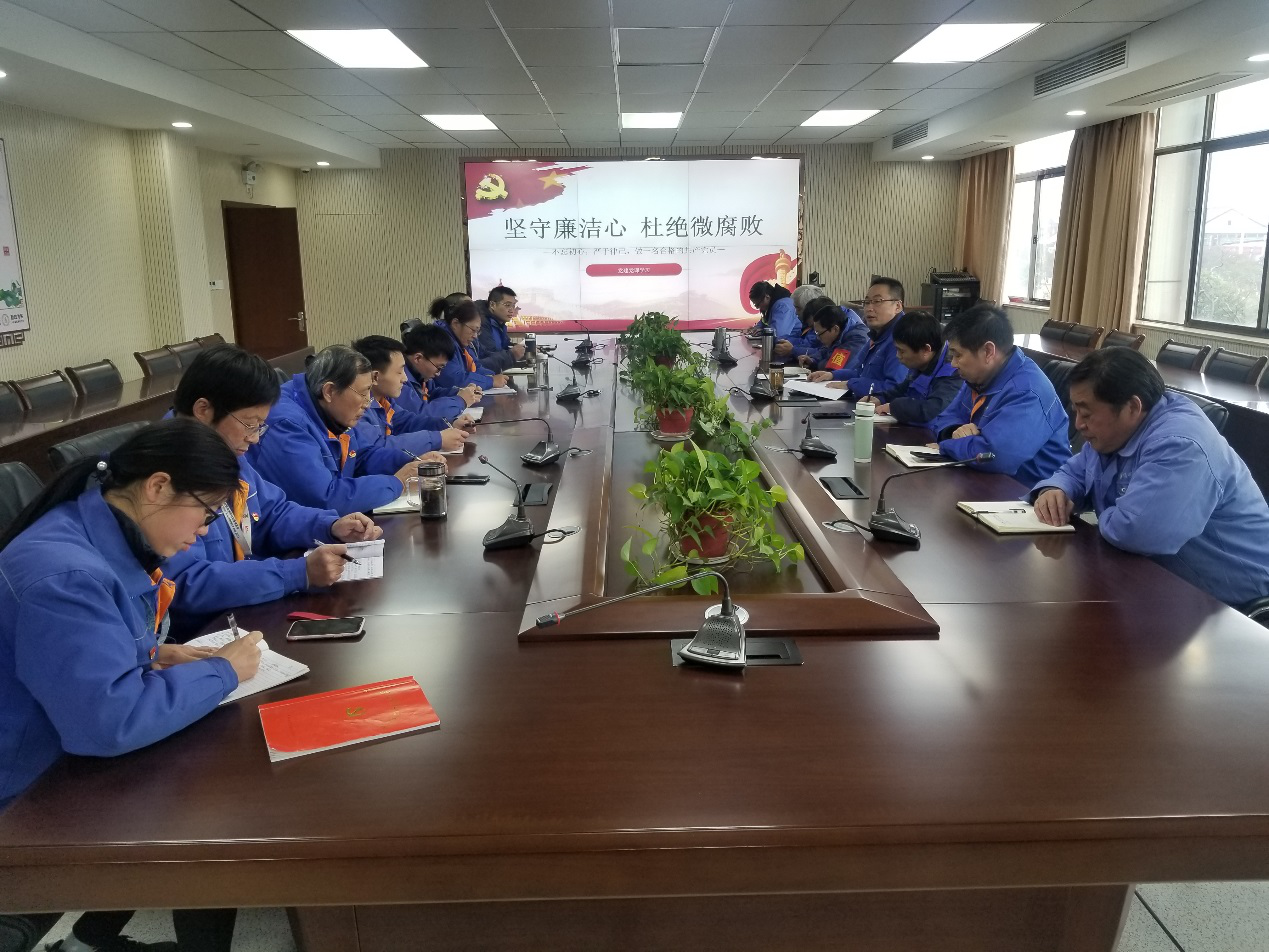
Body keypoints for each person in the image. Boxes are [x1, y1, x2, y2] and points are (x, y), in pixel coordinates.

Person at [0, 419, 262, 952]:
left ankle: (90, 937)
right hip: (27, 790)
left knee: (207, 771)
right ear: (158, 486)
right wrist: (224, 670)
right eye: (207, 511)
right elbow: (108, 722)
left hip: (60, 748)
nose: (207, 531)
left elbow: (73, 651)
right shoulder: (64, 574)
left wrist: (149, 653)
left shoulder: (98, 534)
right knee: (212, 807)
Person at [1032, 348, 1269, 607]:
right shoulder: (1115, 433)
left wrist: (1113, 513)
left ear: (1132, 407)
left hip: (1235, 601)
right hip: (1163, 580)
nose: (1078, 424)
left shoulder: (1179, 445)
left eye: (1086, 414)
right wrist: (1057, 490)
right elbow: (1076, 471)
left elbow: (1138, 533)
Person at [163, 344, 381, 618]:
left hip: (244, 604)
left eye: (260, 426)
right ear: (203, 410)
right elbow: (185, 582)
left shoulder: (223, 449)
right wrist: (296, 573)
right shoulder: (166, 470)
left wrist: (330, 526)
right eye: (249, 424)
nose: (255, 438)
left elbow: (272, 512)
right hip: (203, 626)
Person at [250, 345, 440, 514]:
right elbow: (325, 498)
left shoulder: (332, 409)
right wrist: (396, 482)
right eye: (363, 393)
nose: (368, 403)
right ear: (329, 391)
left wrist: (410, 463)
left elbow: (362, 456)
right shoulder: (287, 425)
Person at [926, 304, 1069, 484]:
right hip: (985, 477)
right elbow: (943, 418)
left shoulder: (1027, 391)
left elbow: (994, 456)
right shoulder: (979, 377)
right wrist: (953, 431)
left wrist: (947, 446)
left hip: (1030, 491)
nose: (953, 364)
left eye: (958, 355)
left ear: (988, 351)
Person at [352, 334, 472, 459]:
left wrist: (449, 424)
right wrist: (436, 439)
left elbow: (408, 422)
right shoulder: (358, 408)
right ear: (375, 377)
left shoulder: (384, 400)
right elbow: (378, 448)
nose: (405, 378)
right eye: (399, 372)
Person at [807, 277, 907, 397]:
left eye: (877, 301)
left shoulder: (903, 339)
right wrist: (832, 375)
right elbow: (860, 372)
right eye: (867, 302)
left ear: (897, 306)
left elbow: (895, 388)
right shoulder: (876, 335)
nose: (869, 308)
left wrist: (851, 384)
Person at [861, 310, 961, 424]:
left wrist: (893, 407)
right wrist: (880, 398)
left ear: (926, 349)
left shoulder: (953, 370)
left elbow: (932, 410)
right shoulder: (920, 362)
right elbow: (903, 389)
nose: (898, 356)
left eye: (902, 351)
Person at [400, 305, 482, 417]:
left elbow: (432, 393)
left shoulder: (420, 373)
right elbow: (420, 414)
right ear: (418, 358)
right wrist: (461, 401)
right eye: (438, 368)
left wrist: (459, 392)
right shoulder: (401, 380)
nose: (438, 374)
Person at [432, 299, 511, 394]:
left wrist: (492, 376)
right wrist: (491, 381)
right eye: (473, 330)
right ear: (455, 324)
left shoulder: (460, 341)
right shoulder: (440, 342)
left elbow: (476, 367)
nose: (475, 336)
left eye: (478, 331)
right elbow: (453, 378)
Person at [800, 296, 870, 379]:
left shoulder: (858, 338)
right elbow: (824, 350)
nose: (818, 338)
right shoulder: (837, 332)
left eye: (819, 333)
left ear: (835, 329)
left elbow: (834, 369)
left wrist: (819, 364)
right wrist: (812, 360)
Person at [476, 285, 526, 373]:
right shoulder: (481, 323)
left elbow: (504, 347)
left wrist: (525, 349)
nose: (512, 310)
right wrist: (511, 355)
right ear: (492, 305)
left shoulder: (500, 323)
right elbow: (487, 357)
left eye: (513, 306)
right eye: (507, 305)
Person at [748, 281, 800, 353]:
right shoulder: (772, 305)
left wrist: (762, 331)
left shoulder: (783, 306)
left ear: (767, 297)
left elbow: (778, 334)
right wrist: (756, 328)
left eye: (758, 305)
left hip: (792, 346)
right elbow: (764, 321)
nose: (758, 308)